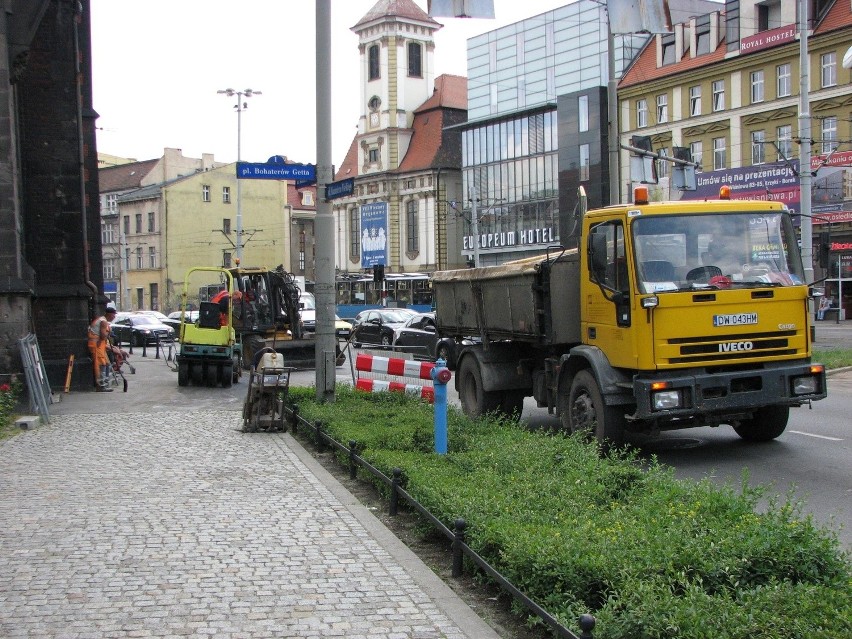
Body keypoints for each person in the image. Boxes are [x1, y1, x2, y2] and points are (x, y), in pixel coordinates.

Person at [87, 304, 117, 392]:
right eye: (113, 314)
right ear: (109, 314)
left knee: (106, 364)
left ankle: (105, 384)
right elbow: (103, 336)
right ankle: (101, 385)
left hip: (99, 345)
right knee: (101, 365)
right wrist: (109, 332)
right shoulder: (103, 322)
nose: (114, 316)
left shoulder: (101, 320)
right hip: (97, 346)